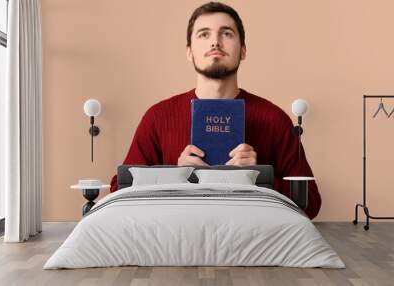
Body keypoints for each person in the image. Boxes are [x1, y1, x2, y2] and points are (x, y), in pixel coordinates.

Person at [109, 2, 321, 219]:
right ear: (189, 52)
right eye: (204, 34)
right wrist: (175, 176)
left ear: (243, 50)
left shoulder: (274, 119)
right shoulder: (158, 117)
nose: (215, 42)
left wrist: (258, 178)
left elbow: (311, 202)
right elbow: (118, 190)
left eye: (227, 34)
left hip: (251, 241)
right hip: (177, 240)